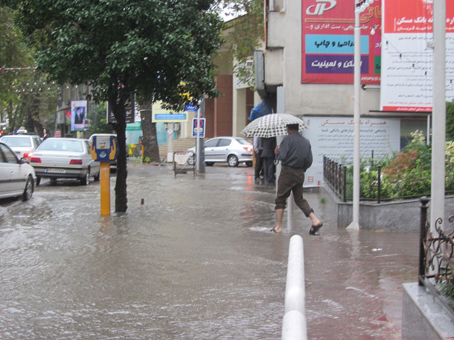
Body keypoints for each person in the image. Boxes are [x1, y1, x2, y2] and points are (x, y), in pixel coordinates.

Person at [271, 123, 322, 235]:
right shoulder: (306, 141)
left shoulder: (287, 140)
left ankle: (278, 227)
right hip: (300, 173)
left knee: (280, 199)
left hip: (287, 172)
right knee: (299, 199)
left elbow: (282, 156)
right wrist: (302, 169)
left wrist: (277, 152)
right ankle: (315, 220)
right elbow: (309, 160)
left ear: (288, 129)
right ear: (298, 129)